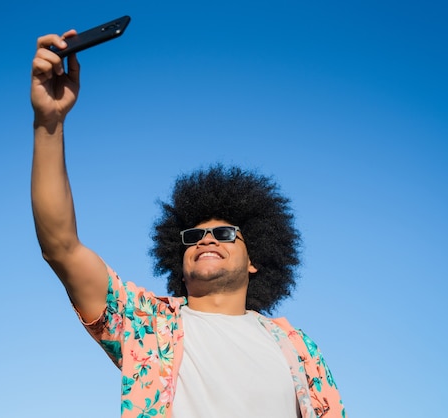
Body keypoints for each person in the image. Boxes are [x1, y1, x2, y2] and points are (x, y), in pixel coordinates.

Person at [30, 31, 345, 418]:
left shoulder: (299, 349)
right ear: (179, 260)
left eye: (225, 233)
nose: (206, 239)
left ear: (254, 259)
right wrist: (49, 123)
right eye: (193, 236)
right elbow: (60, 246)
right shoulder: (146, 323)